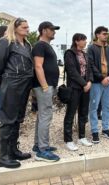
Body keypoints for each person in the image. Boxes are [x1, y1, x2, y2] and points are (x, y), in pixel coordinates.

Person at [0, 18, 33, 168]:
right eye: (24, 27)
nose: (27, 29)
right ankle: (3, 157)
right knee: (8, 119)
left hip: (25, 84)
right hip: (12, 83)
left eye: (27, 27)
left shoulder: (27, 45)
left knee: (17, 118)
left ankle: (13, 150)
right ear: (15, 28)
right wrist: (5, 83)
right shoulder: (6, 41)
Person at [32, 21, 60, 162]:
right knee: (45, 116)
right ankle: (42, 151)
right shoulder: (39, 45)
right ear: (44, 31)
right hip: (44, 86)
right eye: (52, 29)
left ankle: (38, 145)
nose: (54, 31)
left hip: (48, 86)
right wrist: (44, 86)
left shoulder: (46, 46)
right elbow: (38, 66)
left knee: (42, 116)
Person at [87, 26, 109, 144]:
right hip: (96, 82)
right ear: (97, 35)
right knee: (93, 107)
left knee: (107, 107)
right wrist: (101, 78)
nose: (106, 35)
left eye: (107, 34)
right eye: (104, 34)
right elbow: (91, 65)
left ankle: (105, 129)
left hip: (108, 83)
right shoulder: (91, 48)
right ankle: (94, 131)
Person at [63, 33, 93, 150]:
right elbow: (72, 71)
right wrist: (84, 84)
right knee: (70, 114)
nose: (85, 42)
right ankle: (68, 140)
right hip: (75, 88)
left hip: (86, 88)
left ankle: (82, 137)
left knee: (83, 113)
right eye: (83, 40)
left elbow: (89, 70)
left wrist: (89, 81)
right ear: (76, 41)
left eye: (85, 40)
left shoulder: (85, 54)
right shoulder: (69, 53)